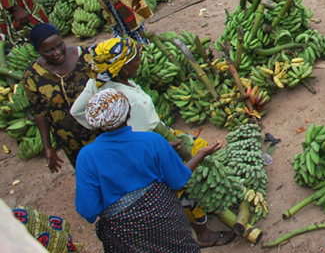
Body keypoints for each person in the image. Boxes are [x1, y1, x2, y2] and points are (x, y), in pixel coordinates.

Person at [74, 90, 220, 252]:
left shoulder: (86, 157)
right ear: (129, 112)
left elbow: (88, 210)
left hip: (123, 234)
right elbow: (178, 180)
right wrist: (200, 154)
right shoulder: (153, 142)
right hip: (165, 220)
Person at [22, 23, 96, 172]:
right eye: (48, 51)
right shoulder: (33, 76)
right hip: (70, 140)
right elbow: (39, 113)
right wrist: (47, 146)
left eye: (59, 46)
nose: (56, 53)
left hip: (100, 130)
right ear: (38, 51)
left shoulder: (87, 56)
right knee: (89, 174)